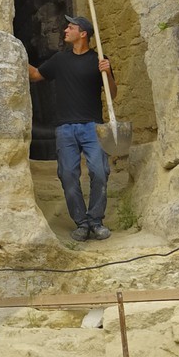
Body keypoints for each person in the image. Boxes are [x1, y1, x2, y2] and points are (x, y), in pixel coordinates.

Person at [28, 14, 117, 241]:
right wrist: (16, 56)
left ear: (83, 33)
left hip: (92, 127)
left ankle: (96, 221)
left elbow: (112, 95)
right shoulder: (60, 60)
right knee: (67, 174)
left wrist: (107, 72)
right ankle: (81, 222)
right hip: (65, 128)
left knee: (100, 171)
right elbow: (37, 75)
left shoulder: (99, 60)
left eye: (70, 27)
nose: (65, 30)